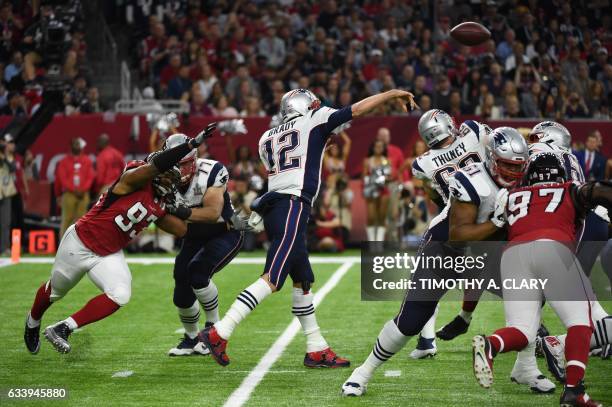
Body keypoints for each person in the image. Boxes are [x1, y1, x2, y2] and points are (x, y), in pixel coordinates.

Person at [199, 88, 418, 367]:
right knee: (273, 278)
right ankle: (221, 330)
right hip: (293, 204)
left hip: (277, 206)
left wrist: (321, 143)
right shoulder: (315, 118)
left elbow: (295, 158)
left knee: (303, 279)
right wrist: (391, 94)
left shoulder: (267, 137)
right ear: (308, 105)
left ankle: (316, 347)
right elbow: (357, 109)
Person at [342, 127, 556, 396]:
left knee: (533, 293)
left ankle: (525, 367)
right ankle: (363, 372)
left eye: (518, 166)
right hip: (446, 250)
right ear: (490, 159)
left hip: (486, 252)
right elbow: (457, 236)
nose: (514, 173)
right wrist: (497, 221)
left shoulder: (525, 178)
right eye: (506, 165)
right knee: (411, 321)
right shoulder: (472, 180)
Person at [23, 125, 216, 355]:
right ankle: (33, 321)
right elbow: (155, 167)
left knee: (120, 293)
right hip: (81, 243)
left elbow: (182, 230)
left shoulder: (162, 202)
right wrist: (192, 144)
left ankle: (64, 328)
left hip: (108, 253)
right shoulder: (135, 175)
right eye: (166, 174)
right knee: (56, 291)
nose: (168, 181)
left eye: (172, 178)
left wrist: (193, 213)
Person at [472, 152, 612, 407]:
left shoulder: (510, 196)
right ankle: (574, 391)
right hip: (553, 247)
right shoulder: (568, 188)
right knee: (581, 322)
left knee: (523, 331)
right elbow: (597, 191)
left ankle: (491, 344)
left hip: (513, 256)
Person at [164, 134, 248, 356]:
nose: (176, 171)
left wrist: (179, 211)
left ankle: (213, 330)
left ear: (192, 161)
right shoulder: (160, 178)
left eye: (181, 165)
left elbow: (212, 213)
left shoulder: (211, 170)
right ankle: (191, 339)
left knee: (198, 272)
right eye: (172, 164)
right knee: (181, 282)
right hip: (193, 234)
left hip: (226, 230)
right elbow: (178, 229)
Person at [54, 138, 95, 238]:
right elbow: (61, 178)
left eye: (78, 144)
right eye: (75, 144)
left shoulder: (87, 160)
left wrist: (83, 189)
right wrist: (61, 193)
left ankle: (80, 245)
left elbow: (90, 177)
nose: (77, 146)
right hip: (69, 194)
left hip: (83, 194)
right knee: (67, 219)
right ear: (71, 146)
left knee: (82, 220)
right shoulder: (64, 161)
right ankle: (63, 245)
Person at [362, 140, 391, 242]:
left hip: (383, 190)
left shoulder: (386, 160)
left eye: (380, 147)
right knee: (371, 216)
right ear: (373, 148)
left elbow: (388, 176)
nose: (378, 149)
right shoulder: (367, 161)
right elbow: (365, 176)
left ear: (383, 149)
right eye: (376, 147)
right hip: (371, 190)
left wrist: (384, 180)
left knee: (382, 216)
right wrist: (368, 186)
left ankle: (378, 244)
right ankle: (371, 243)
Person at [0, 136, 17, 255]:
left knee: (6, 222)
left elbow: (12, 168)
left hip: (6, 192)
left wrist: (4, 155)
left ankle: (5, 248)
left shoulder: (9, 156)